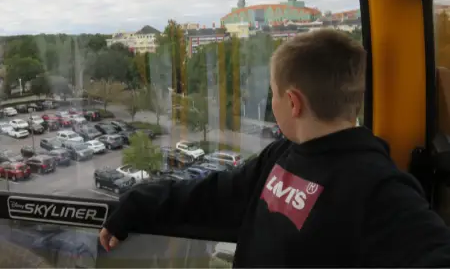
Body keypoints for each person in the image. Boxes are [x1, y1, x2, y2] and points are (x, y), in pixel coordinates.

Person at [99, 29, 450, 267]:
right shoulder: (282, 155)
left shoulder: (380, 189)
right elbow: (215, 192)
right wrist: (139, 201)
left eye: (273, 93)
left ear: (293, 102)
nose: (272, 102)